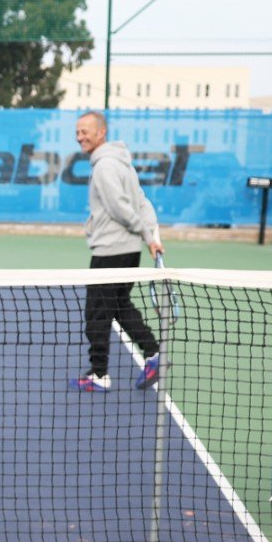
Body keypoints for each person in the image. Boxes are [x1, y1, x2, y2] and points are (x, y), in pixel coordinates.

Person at [69, 110, 163, 393]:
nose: (80, 137)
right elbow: (142, 202)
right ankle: (153, 353)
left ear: (101, 133)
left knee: (97, 312)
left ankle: (99, 374)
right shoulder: (123, 164)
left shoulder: (105, 167)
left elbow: (121, 208)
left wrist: (148, 235)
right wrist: (151, 236)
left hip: (111, 251)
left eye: (85, 131)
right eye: (77, 132)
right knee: (120, 306)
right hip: (128, 251)